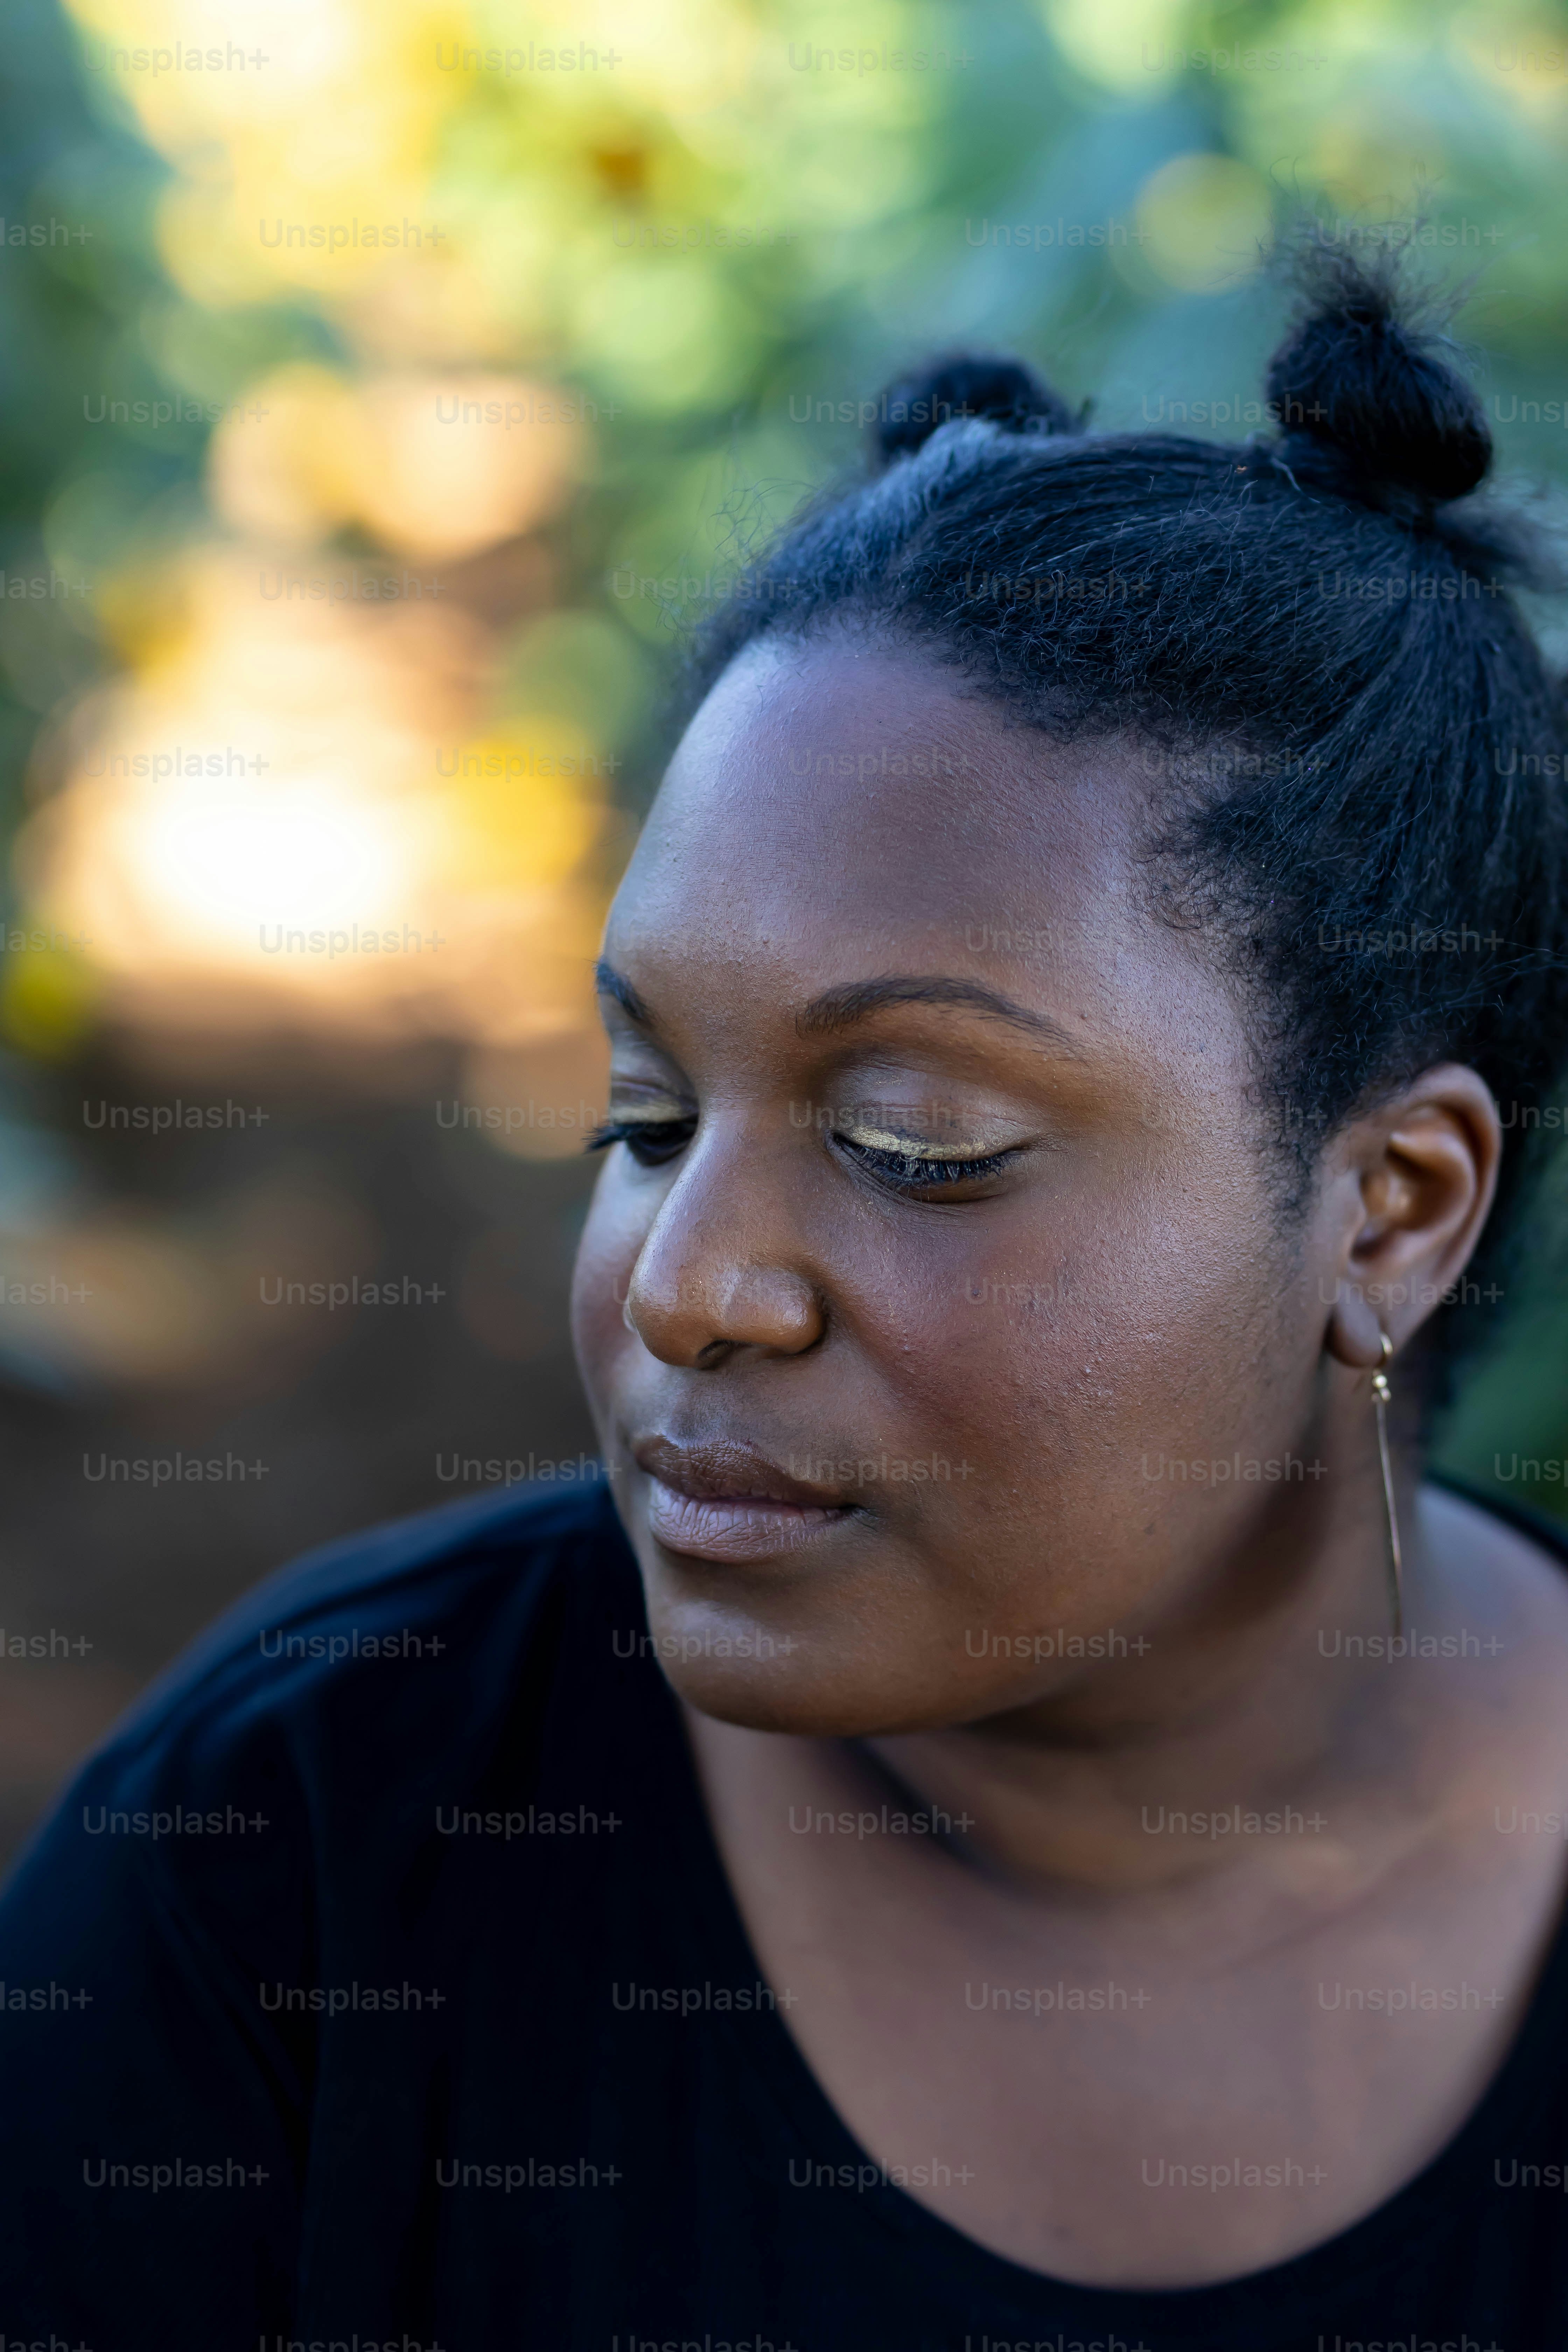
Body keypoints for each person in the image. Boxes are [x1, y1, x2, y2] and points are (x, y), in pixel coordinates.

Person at [4, 239, 1568, 2350]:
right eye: (646, 1115)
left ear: (1390, 1210)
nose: (691, 1286)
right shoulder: (297, 1867)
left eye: (916, 1141)